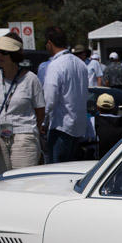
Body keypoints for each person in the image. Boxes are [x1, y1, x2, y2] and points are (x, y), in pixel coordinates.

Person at [0, 33, 45, 172]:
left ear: (15, 55)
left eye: (4, 52)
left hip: (24, 135)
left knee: (22, 183)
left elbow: (40, 109)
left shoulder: (31, 79)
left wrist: (34, 130)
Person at [41, 26, 89, 163]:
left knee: (56, 170)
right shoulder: (81, 64)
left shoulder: (55, 65)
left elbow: (49, 98)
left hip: (60, 126)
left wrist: (43, 122)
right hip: (78, 126)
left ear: (49, 43)